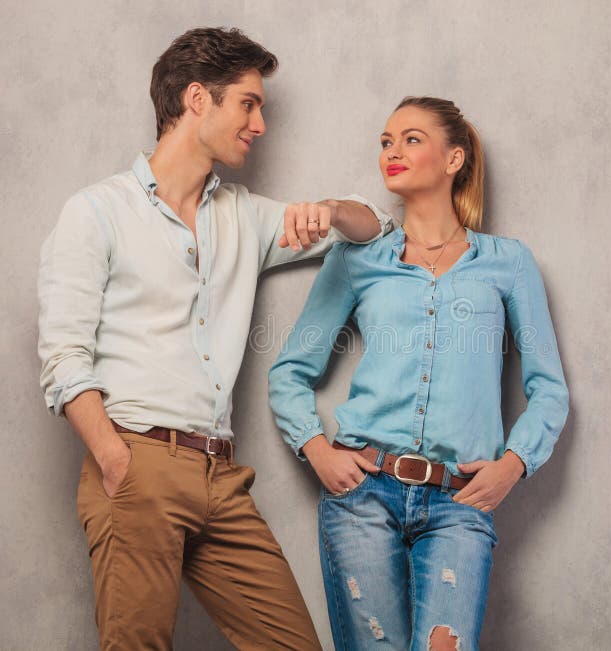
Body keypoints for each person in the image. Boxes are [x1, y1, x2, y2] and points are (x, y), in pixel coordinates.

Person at [37, 27, 392, 650]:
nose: (259, 125)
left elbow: (373, 227)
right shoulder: (96, 212)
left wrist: (330, 210)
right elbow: (65, 358)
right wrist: (117, 461)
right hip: (136, 461)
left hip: (220, 478)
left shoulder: (244, 215)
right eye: (248, 104)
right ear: (197, 99)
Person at [268, 96, 570, 650]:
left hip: (459, 504)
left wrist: (513, 464)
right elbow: (290, 370)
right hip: (363, 495)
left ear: (454, 159)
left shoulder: (508, 262)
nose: (392, 151)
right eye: (386, 141)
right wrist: (317, 449)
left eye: (410, 139)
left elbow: (548, 388)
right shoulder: (358, 259)